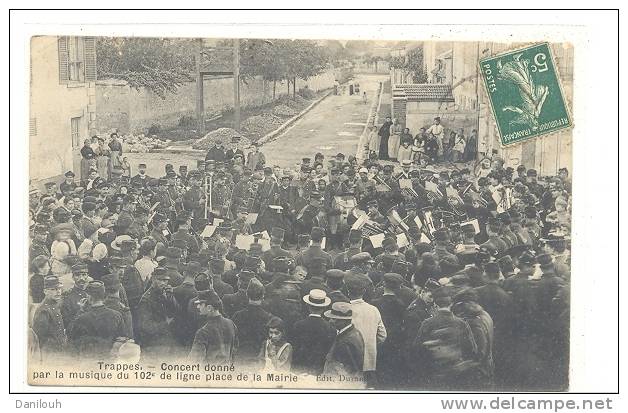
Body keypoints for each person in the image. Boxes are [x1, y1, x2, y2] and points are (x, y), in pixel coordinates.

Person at [67, 280, 127, 360]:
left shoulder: (82, 318)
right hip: (109, 359)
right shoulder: (117, 315)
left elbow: (70, 336)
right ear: (104, 296)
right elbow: (122, 338)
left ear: (89, 297)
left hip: (88, 360)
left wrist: (81, 310)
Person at [346, 273, 386, 387]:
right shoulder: (373, 310)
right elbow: (383, 335)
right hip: (370, 361)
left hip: (350, 360)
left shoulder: (346, 310)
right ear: (363, 291)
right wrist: (371, 343)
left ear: (348, 291)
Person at [290, 289, 336, 375]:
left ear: (307, 305)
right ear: (324, 307)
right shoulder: (331, 329)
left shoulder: (298, 325)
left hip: (298, 369)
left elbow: (294, 348)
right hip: (318, 370)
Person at [188, 290, 238, 363]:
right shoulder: (231, 324)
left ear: (209, 308)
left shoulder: (203, 332)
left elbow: (193, 361)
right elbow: (234, 351)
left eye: (201, 304)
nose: (198, 307)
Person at [323, 302, 365, 382]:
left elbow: (348, 370)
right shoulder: (354, 332)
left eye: (334, 319)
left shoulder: (346, 341)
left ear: (345, 321)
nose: (330, 321)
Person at [31, 275, 67, 360]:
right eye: (53, 289)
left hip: (59, 352)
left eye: (59, 289)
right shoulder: (44, 310)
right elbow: (40, 338)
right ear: (45, 291)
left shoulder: (54, 305)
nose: (58, 292)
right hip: (50, 354)